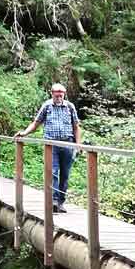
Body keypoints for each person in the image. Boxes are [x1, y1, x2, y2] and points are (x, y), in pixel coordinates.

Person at [15, 83, 81, 213]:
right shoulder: (47, 106)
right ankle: (54, 201)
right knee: (53, 172)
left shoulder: (69, 107)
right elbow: (36, 123)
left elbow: (76, 126)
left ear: (64, 93)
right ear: (52, 93)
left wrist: (78, 145)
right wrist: (24, 133)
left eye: (61, 92)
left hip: (67, 144)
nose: (59, 94)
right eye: (56, 92)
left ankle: (60, 202)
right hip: (51, 145)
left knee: (65, 175)